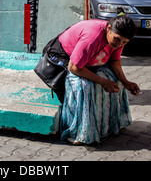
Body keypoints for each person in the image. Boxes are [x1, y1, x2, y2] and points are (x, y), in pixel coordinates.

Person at [46, 9, 140, 145]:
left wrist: (125, 82)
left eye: (124, 42)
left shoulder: (118, 39)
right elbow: (74, 67)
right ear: (108, 28)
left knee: (115, 82)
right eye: (117, 40)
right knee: (84, 86)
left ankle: (106, 127)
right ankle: (77, 132)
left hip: (90, 62)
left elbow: (114, 61)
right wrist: (103, 82)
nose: (119, 45)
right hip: (63, 59)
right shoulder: (93, 37)